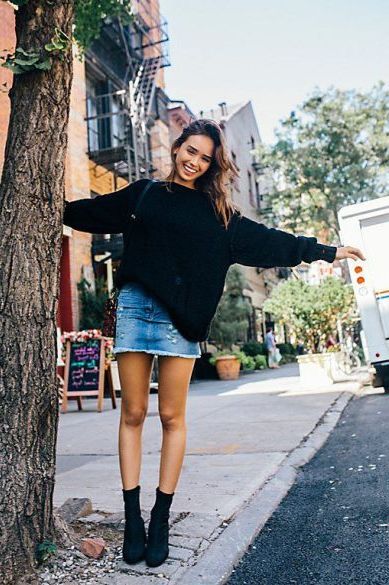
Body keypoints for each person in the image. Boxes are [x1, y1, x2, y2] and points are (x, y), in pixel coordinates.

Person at [63, 119, 365, 568]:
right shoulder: (143, 194)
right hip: (134, 310)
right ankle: (133, 519)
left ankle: (161, 517)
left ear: (211, 164)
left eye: (205, 158)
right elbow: (84, 212)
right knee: (132, 412)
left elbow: (271, 243)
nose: (194, 162)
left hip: (179, 322)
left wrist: (327, 251)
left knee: (170, 416)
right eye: (191, 151)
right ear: (178, 147)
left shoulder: (220, 216)